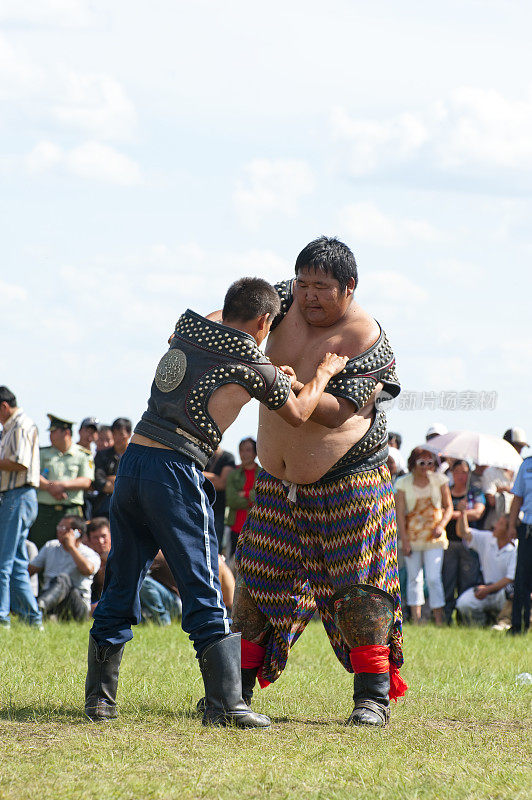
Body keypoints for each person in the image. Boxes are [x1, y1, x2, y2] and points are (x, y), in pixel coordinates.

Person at [85, 276, 348, 730]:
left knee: (121, 583)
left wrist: (272, 373)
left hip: (133, 466)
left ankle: (100, 701)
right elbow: (301, 412)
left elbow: (222, 349)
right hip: (176, 473)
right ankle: (225, 705)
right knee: (205, 584)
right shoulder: (252, 364)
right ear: (266, 321)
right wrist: (323, 372)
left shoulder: (191, 326)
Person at [232, 237, 406, 728]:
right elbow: (233, 316)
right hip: (276, 483)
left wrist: (282, 382)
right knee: (257, 582)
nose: (309, 296)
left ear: (349, 288)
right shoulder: (281, 300)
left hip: (350, 485)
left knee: (362, 593)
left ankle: (372, 699)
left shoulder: (369, 343)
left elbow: (335, 413)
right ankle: (235, 694)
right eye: (304, 283)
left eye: (322, 287)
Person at [395, 447, 453, 626]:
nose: (426, 466)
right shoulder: (402, 483)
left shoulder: (440, 480)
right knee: (414, 578)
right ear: (413, 463)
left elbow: (449, 507)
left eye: (430, 463)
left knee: (434, 577)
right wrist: (404, 540)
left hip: (434, 536)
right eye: (422, 462)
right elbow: (400, 515)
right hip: (412, 537)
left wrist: (442, 525)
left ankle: (438, 619)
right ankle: (417, 619)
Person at [0, 387, 42, 629]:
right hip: (19, 497)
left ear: (4, 406)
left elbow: (20, 462)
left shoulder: (21, 426)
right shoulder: (11, 427)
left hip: (17, 496)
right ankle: (32, 618)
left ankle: (2, 617)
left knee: (3, 562)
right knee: (15, 563)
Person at [30, 415, 94, 550]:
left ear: (66, 432)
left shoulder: (83, 454)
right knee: (38, 548)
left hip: (70, 511)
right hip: (44, 512)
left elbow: (86, 481)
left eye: (54, 431)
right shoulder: (42, 453)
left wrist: (62, 486)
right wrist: (49, 487)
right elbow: (32, 474)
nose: (50, 435)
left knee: (71, 549)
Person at [29, 515, 100, 621]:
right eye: (59, 527)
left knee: (63, 579)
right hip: (51, 597)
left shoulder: (89, 554)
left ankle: (38, 609)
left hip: (77, 604)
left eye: (63, 528)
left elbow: (87, 570)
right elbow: (30, 570)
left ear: (77, 532)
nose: (59, 531)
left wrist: (71, 547)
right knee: (57, 581)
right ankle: (41, 609)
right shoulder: (51, 546)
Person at [441, 460, 485, 624]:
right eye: (458, 471)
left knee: (467, 581)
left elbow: (478, 513)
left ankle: (465, 619)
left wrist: (456, 512)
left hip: (469, 544)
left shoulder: (474, 492)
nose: (461, 475)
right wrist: (459, 512)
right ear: (452, 472)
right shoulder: (446, 491)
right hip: (449, 543)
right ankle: (446, 618)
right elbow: (441, 511)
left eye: (465, 471)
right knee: (448, 580)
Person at [455, 512, 516, 626]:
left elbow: (509, 579)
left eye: (501, 524)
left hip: (502, 594)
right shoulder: (487, 538)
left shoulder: (516, 549)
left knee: (512, 593)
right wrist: (463, 513)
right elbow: (463, 533)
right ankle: (483, 624)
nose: (495, 526)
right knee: (464, 603)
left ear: (509, 530)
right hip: (485, 588)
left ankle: (504, 621)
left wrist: (487, 589)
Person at [225, 437, 260, 563]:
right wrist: (252, 498)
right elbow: (231, 500)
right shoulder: (233, 474)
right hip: (235, 527)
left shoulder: (263, 474)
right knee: (232, 564)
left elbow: (262, 499)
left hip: (256, 528)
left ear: (256, 453)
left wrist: (244, 494)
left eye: (248, 450)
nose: (244, 454)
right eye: (241, 450)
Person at [507, 455, 532, 634]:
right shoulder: (527, 464)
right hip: (528, 529)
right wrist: (511, 525)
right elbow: (517, 498)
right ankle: (518, 625)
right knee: (522, 579)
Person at [92, 418, 132, 517]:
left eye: (121, 434)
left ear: (129, 434)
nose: (117, 438)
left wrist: (112, 479)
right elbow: (98, 480)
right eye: (114, 434)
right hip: (105, 505)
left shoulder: (136, 457)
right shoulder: (102, 455)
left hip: (130, 505)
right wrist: (122, 485)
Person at [203, 443, 235, 552]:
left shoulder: (227, 457)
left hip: (218, 512)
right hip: (201, 511)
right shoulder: (204, 455)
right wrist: (213, 478)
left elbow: (222, 483)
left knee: (215, 551)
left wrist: (200, 474)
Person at [139, 550, 183, 625]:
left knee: (143, 582)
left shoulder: (156, 553)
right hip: (169, 601)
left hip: (175, 603)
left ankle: (163, 620)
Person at [85, 517, 111, 613]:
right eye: (95, 537)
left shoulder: (120, 555)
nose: (100, 541)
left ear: (110, 536)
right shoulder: (85, 557)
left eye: (104, 536)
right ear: (88, 540)